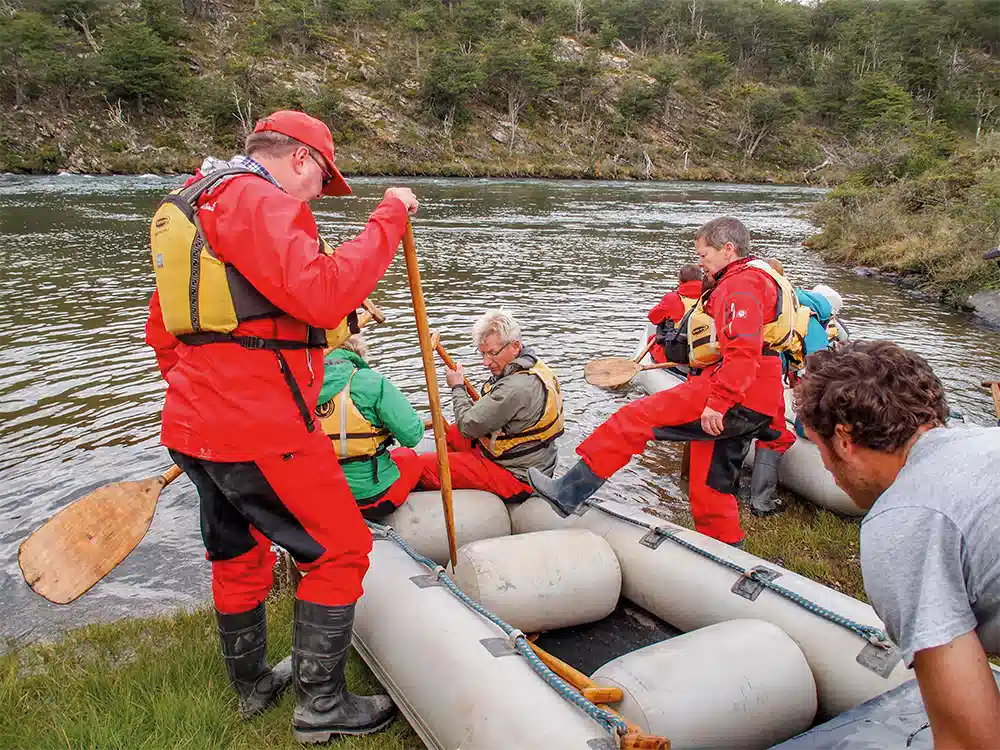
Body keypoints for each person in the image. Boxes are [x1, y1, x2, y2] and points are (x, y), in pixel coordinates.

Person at [144, 109, 419, 743]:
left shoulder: (193, 201)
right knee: (343, 549)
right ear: (299, 158)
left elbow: (168, 329)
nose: (320, 194)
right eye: (323, 179)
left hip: (192, 423)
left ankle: (250, 687)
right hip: (260, 428)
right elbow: (321, 296)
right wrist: (388, 218)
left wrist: (205, 393)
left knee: (237, 551)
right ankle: (320, 706)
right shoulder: (256, 201)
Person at [530, 217, 797, 548]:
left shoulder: (741, 284)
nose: (700, 262)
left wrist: (719, 402)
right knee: (710, 483)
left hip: (736, 392)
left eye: (704, 255)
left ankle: (569, 492)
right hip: (759, 394)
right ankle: (727, 551)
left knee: (632, 420)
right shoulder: (758, 278)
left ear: (728, 250)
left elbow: (743, 351)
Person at [794, 340, 1000, 749]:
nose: (825, 466)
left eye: (819, 448)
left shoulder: (903, 522)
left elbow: (970, 740)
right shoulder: (987, 442)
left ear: (844, 439)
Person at [417, 309, 564, 502]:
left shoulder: (515, 388)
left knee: (422, 465)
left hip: (517, 476)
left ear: (515, 346)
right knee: (451, 433)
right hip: (537, 462)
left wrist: (458, 387)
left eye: (493, 353)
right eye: (483, 353)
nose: (486, 362)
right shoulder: (531, 368)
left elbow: (467, 426)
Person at [748, 261, 845, 517]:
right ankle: (761, 503)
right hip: (763, 378)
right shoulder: (809, 319)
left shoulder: (772, 306)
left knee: (750, 429)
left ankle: (741, 492)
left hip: (756, 375)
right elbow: (819, 366)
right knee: (776, 436)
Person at [317, 334, 426, 520]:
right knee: (409, 458)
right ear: (357, 354)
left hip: (320, 495)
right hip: (370, 499)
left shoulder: (300, 384)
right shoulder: (371, 382)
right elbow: (413, 435)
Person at [647, 264, 703, 364]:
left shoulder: (672, 298)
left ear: (680, 281)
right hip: (703, 350)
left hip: (679, 353)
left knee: (654, 339)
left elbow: (653, 318)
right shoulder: (711, 296)